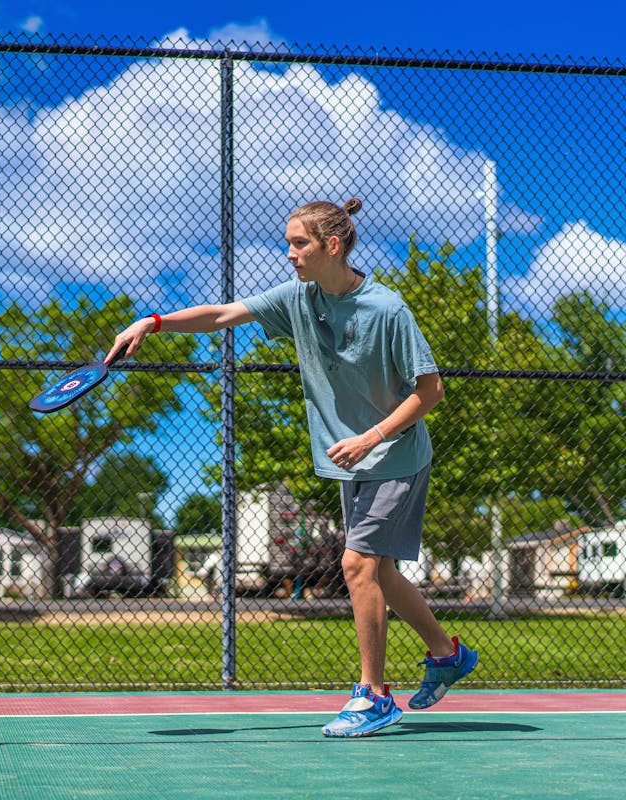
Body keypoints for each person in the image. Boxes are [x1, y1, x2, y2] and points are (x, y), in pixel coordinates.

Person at [106, 198, 478, 737]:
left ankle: (374, 696)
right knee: (381, 573)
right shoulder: (299, 300)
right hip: (356, 460)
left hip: (395, 454)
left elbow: (431, 391)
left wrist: (370, 437)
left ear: (332, 245)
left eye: (298, 243)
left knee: (356, 566)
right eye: (288, 243)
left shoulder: (388, 310)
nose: (289, 254)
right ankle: (447, 654)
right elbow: (223, 315)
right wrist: (154, 321)